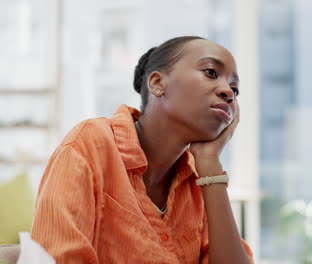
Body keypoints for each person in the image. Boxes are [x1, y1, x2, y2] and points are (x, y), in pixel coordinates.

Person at [31, 36, 254, 263]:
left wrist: (210, 167)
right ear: (157, 83)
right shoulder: (89, 145)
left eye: (235, 90)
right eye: (211, 72)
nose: (228, 92)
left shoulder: (200, 179)